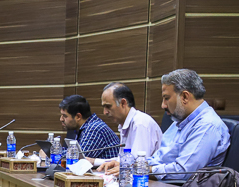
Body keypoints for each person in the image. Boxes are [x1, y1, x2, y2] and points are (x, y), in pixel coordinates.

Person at [98, 69, 230, 179]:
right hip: (162, 185)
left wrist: (142, 169)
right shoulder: (179, 122)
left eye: (166, 98)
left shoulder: (207, 126)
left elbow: (183, 172)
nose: (163, 105)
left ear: (184, 97)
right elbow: (158, 158)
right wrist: (129, 165)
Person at [87, 83, 162, 166]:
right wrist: (94, 161)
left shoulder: (140, 123)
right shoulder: (125, 124)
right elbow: (123, 160)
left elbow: (137, 164)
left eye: (108, 106)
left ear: (123, 103)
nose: (105, 112)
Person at [59, 94, 120, 160]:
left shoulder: (95, 129)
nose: (61, 119)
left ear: (78, 117)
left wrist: (54, 152)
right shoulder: (84, 128)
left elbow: (78, 157)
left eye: (65, 116)